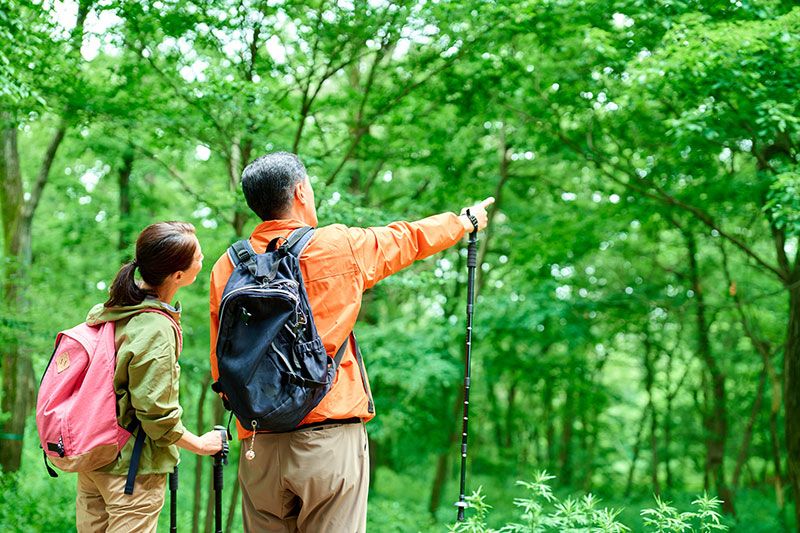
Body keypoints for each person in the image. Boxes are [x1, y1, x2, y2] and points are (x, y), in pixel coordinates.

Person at [209, 152, 492, 532]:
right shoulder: (336, 246)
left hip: (259, 445)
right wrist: (462, 222)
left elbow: (221, 361)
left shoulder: (227, 267)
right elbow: (406, 240)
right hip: (329, 438)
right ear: (300, 192)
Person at [76, 221, 223, 533]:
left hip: (94, 459)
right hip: (132, 472)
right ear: (178, 275)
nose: (203, 258)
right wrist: (200, 444)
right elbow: (156, 413)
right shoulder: (155, 328)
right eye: (197, 256)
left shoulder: (110, 313)